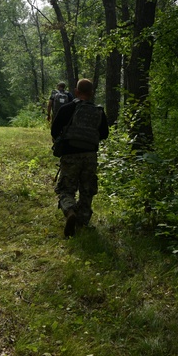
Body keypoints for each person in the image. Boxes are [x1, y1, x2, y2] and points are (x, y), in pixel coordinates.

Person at [51, 78, 109, 237]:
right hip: (90, 155)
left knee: (66, 189)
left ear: (76, 92)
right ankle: (82, 221)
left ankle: (70, 211)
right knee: (87, 189)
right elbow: (104, 134)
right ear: (91, 93)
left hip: (70, 155)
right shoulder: (99, 111)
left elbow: (54, 131)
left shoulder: (67, 109)